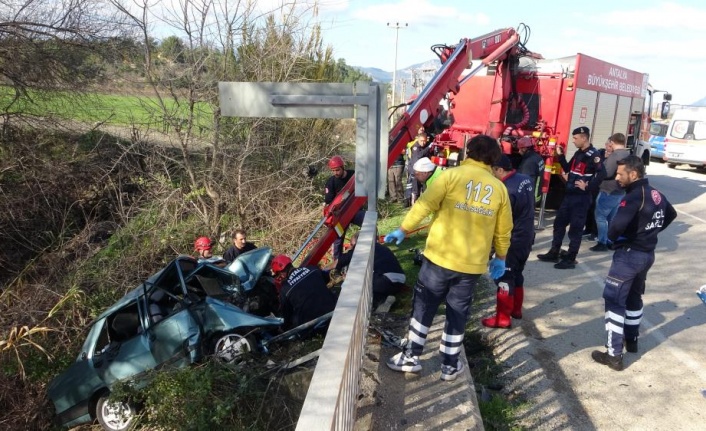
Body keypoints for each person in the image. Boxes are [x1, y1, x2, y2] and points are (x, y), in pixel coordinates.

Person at [383, 134, 512, 381]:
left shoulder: (450, 177)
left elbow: (424, 205)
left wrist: (404, 229)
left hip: (439, 259)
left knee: (423, 306)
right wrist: (501, 258)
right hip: (471, 266)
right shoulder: (499, 189)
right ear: (492, 159)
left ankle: (411, 357)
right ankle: (450, 366)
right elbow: (503, 231)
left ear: (468, 152)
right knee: (457, 312)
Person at [591, 156, 676, 371]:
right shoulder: (655, 193)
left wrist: (614, 239)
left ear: (634, 174)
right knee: (634, 297)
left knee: (614, 301)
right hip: (647, 255)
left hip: (629, 256)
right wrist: (650, 232)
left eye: (621, 174)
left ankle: (613, 355)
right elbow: (671, 214)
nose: (617, 177)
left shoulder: (633, 197)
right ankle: (632, 341)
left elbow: (615, 228)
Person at [537, 126, 604, 269]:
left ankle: (571, 258)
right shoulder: (579, 153)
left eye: (575, 138)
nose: (573, 141)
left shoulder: (594, 155)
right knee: (559, 224)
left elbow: (602, 174)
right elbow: (567, 169)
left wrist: (588, 186)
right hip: (569, 196)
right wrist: (560, 156)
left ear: (584, 138)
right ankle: (554, 252)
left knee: (576, 229)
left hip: (581, 198)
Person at [481, 155, 535, 328]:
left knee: (504, 278)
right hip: (527, 236)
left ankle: (503, 318)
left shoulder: (506, 190)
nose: (491, 175)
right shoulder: (524, 179)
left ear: (499, 170)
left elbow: (502, 222)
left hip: (514, 238)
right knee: (517, 274)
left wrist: (491, 247)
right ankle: (516, 310)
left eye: (492, 171)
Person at [336, 231, 407, 309]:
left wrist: (348, 278)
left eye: (353, 245)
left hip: (387, 280)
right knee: (367, 287)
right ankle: (383, 300)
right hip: (397, 281)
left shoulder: (362, 249)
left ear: (360, 243)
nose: (352, 248)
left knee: (358, 283)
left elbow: (339, 262)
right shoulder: (378, 247)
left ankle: (380, 302)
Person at [271, 254, 337, 332]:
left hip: (313, 325)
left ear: (281, 273)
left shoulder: (285, 289)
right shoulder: (313, 269)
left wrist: (282, 328)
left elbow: (286, 316)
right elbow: (326, 279)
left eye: (278, 275)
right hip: (333, 310)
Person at [591, 133, 631, 252]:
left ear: (612, 143)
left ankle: (602, 242)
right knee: (612, 218)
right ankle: (611, 240)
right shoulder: (628, 154)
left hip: (608, 190)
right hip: (620, 191)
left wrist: (598, 167)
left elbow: (606, 173)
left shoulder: (615, 156)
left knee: (601, 217)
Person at [324, 155, 365, 262]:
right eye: (333, 170)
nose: (335, 173)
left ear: (343, 167)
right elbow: (329, 201)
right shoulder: (331, 182)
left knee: (368, 223)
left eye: (337, 170)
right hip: (341, 216)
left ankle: (372, 249)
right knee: (337, 239)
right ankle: (337, 264)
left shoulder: (353, 175)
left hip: (355, 211)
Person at [516, 136, 545, 204]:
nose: (518, 151)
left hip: (528, 198)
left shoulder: (528, 163)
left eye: (520, 149)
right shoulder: (538, 157)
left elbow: (525, 182)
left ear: (524, 149)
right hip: (535, 195)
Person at [407, 132, 432, 204]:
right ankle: (414, 206)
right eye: (421, 141)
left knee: (425, 191)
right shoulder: (415, 146)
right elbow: (418, 156)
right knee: (416, 192)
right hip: (416, 173)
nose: (423, 142)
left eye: (424, 141)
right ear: (418, 139)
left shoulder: (427, 144)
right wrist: (428, 148)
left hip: (424, 173)